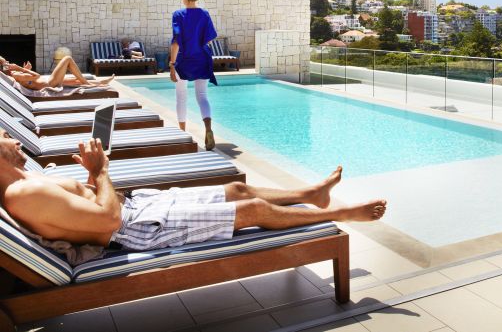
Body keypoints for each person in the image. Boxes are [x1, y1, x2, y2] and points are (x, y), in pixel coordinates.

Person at [0, 130, 387, 252]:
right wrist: (100, 170)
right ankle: (338, 213)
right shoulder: (23, 195)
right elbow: (106, 220)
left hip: (137, 208)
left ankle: (311, 192)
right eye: (5, 138)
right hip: (136, 230)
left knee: (237, 188)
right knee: (249, 209)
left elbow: (81, 208)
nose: (16, 142)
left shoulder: (26, 184)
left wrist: (91, 176)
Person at [170, 0, 218, 150]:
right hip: (202, 59)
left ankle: (183, 134)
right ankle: (208, 129)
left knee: (181, 96)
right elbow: (210, 38)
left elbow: (176, 42)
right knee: (202, 96)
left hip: (183, 60)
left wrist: (171, 64)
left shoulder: (178, 14)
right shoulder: (204, 14)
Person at [0, 55, 114, 91]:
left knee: (75, 81)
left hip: (47, 82)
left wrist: (26, 69)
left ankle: (100, 82)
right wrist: (20, 68)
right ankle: (88, 84)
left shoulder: (14, 74)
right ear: (3, 68)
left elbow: (31, 79)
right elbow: (37, 76)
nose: (9, 64)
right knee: (67, 59)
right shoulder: (15, 75)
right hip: (49, 83)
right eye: (6, 64)